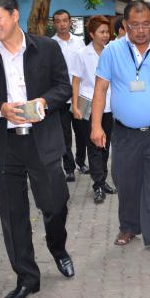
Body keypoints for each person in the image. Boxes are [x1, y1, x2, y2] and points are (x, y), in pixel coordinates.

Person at [0, 0, 75, 298]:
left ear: (14, 15)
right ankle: (27, 277)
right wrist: (0, 108)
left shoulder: (47, 48)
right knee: (13, 216)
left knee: (55, 204)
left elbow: (63, 87)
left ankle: (58, 247)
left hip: (42, 141)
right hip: (4, 144)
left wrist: (44, 103)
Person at [90, 0, 150, 260]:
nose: (140, 30)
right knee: (126, 182)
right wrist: (96, 125)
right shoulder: (112, 51)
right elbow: (100, 89)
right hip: (124, 133)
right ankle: (129, 227)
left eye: (145, 25)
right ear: (125, 24)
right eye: (134, 25)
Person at [70, 15, 117, 204]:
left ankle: (102, 180)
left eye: (107, 32)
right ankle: (98, 184)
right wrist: (75, 106)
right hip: (87, 103)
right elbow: (76, 81)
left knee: (105, 145)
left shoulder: (111, 52)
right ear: (92, 34)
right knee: (94, 146)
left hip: (109, 105)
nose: (106, 35)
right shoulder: (81, 54)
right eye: (102, 32)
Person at [51, 9, 88, 180]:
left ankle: (81, 162)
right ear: (54, 24)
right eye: (58, 21)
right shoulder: (50, 44)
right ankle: (69, 168)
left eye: (65, 20)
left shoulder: (79, 42)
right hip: (61, 97)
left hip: (80, 95)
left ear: (70, 21)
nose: (62, 24)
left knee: (82, 132)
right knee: (64, 134)